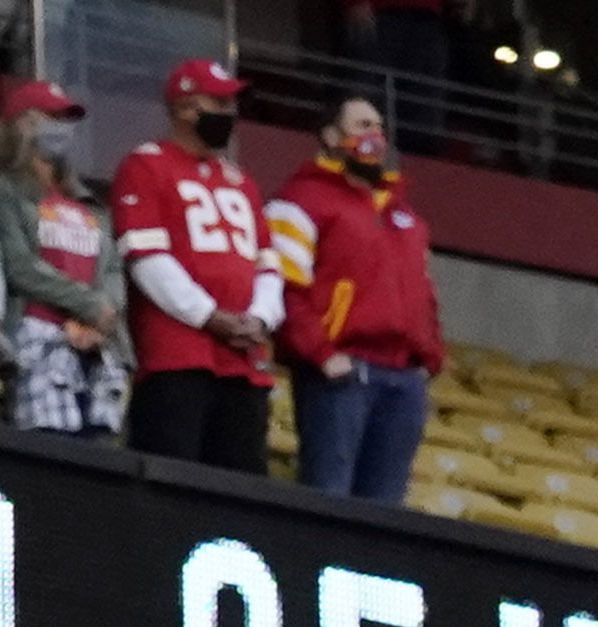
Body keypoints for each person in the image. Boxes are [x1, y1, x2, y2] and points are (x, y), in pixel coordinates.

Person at [113, 55, 285, 476]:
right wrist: (209, 316)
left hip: (244, 362)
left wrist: (259, 319)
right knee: (171, 483)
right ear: (186, 108)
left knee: (241, 491)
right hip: (177, 357)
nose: (230, 114)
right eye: (220, 104)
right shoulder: (146, 165)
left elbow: (269, 264)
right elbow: (147, 259)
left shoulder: (242, 181)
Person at [276, 95, 443, 503]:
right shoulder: (300, 202)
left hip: (403, 381)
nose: (374, 136)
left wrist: (431, 355)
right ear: (331, 136)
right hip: (342, 376)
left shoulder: (405, 216)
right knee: (329, 504)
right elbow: (286, 289)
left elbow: (424, 292)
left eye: (378, 126)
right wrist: (321, 353)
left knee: (384, 519)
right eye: (362, 125)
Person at [0, 79, 122, 435]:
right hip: (35, 336)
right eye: (50, 117)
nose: (61, 128)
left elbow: (111, 268)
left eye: (65, 119)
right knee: (50, 447)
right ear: (23, 123)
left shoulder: (86, 200)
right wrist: (89, 305)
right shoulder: (2, 187)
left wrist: (100, 318)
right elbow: (19, 265)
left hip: (92, 345)